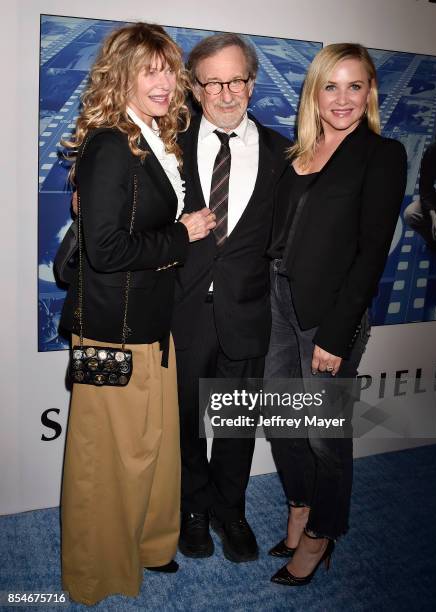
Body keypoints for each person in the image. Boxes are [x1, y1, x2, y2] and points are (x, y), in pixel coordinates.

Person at [59, 22, 214, 605]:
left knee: (149, 446)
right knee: (106, 458)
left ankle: (149, 545)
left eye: (169, 69)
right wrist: (182, 236)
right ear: (120, 74)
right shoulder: (107, 142)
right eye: (149, 69)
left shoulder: (151, 135)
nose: (164, 81)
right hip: (110, 331)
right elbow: (104, 248)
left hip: (149, 324)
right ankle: (97, 571)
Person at [264, 43, 407, 586]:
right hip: (277, 302)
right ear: (314, 92)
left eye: (355, 86)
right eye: (331, 85)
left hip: (329, 313)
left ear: (370, 92)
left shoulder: (382, 153)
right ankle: (299, 506)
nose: (342, 98)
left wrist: (339, 331)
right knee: (283, 421)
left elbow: (372, 251)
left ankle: (323, 533)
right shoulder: (295, 153)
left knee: (324, 434)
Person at [171, 33, 290, 562]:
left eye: (236, 79)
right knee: (184, 420)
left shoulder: (283, 153)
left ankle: (231, 509)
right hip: (182, 311)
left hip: (247, 313)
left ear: (252, 82)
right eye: (212, 82)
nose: (225, 92)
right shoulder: (164, 142)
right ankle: (193, 509)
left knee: (237, 424)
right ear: (195, 89)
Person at [404, 108, 436, 249]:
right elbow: (425, 188)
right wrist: (434, 217)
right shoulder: (432, 152)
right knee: (410, 214)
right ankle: (435, 237)